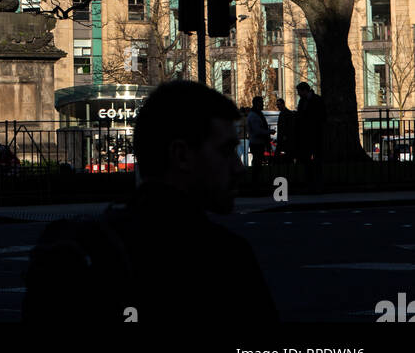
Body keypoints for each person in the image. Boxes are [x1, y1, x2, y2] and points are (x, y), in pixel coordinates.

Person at [23, 80, 278, 325]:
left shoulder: (77, 253)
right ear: (181, 155)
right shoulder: (225, 260)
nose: (238, 167)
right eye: (225, 150)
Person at [295, 80, 326, 188]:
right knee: (307, 158)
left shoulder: (316, 100)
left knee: (316, 158)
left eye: (299, 92)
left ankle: (316, 181)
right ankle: (311, 180)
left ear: (304, 91)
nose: (298, 94)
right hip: (308, 134)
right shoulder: (304, 101)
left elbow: (320, 116)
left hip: (314, 133)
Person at [246, 96, 271, 181]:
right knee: (257, 165)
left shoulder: (255, 114)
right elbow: (257, 131)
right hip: (257, 143)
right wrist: (268, 132)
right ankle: (255, 184)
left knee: (257, 164)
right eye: (261, 102)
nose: (263, 104)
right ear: (257, 104)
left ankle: (256, 183)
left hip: (257, 143)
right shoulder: (254, 115)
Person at [274, 96, 296, 162]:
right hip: (284, 138)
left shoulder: (286, 113)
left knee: (285, 155)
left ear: (283, 104)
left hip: (285, 138)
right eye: (277, 105)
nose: (277, 106)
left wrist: (285, 136)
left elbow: (289, 127)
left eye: (278, 105)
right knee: (286, 155)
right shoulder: (285, 113)